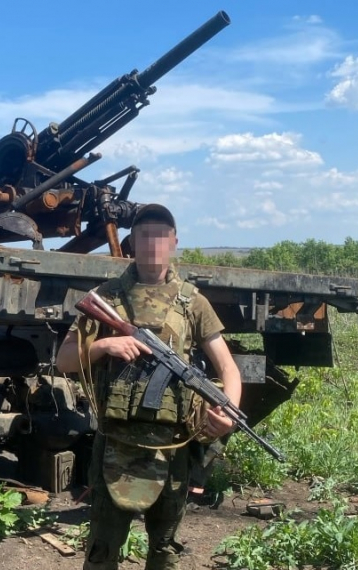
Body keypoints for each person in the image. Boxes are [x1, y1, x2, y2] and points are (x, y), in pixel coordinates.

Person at [56, 204, 242, 570]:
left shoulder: (192, 302)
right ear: (132, 243)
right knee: (102, 550)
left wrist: (228, 414)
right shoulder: (107, 297)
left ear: (173, 242)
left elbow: (228, 369)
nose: (153, 244)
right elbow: (63, 361)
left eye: (161, 236)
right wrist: (103, 346)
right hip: (116, 445)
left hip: (172, 449)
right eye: (145, 235)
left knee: (165, 552)